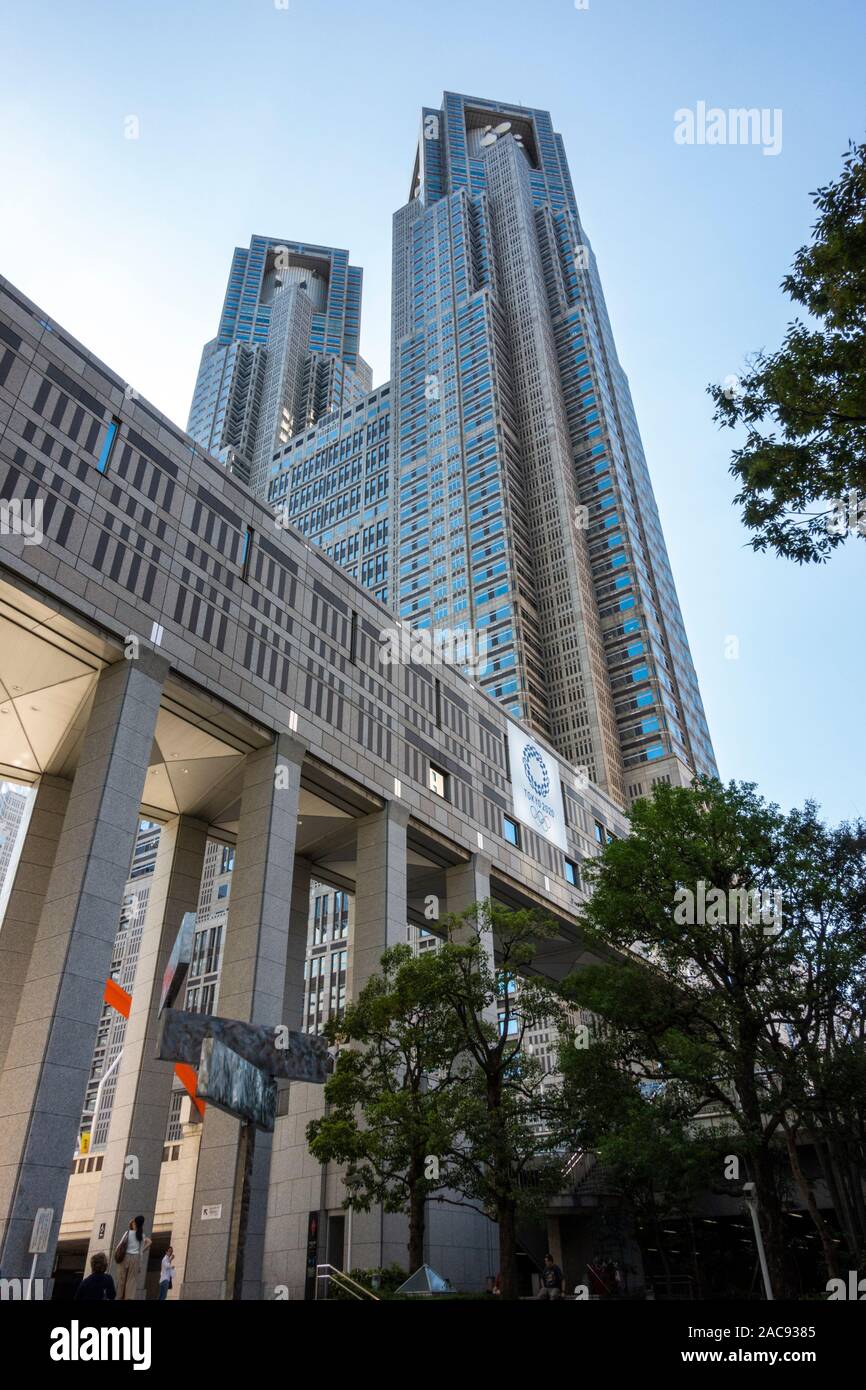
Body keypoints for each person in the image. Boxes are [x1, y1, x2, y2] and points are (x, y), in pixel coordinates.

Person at [115, 1215, 152, 1301]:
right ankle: (129, 1298)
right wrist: (140, 1265)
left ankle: (119, 1297)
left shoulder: (127, 1233)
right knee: (131, 1281)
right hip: (135, 1259)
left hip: (125, 1257)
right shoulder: (142, 1236)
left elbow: (119, 1246)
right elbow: (140, 1253)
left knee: (121, 1279)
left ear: (134, 1223)